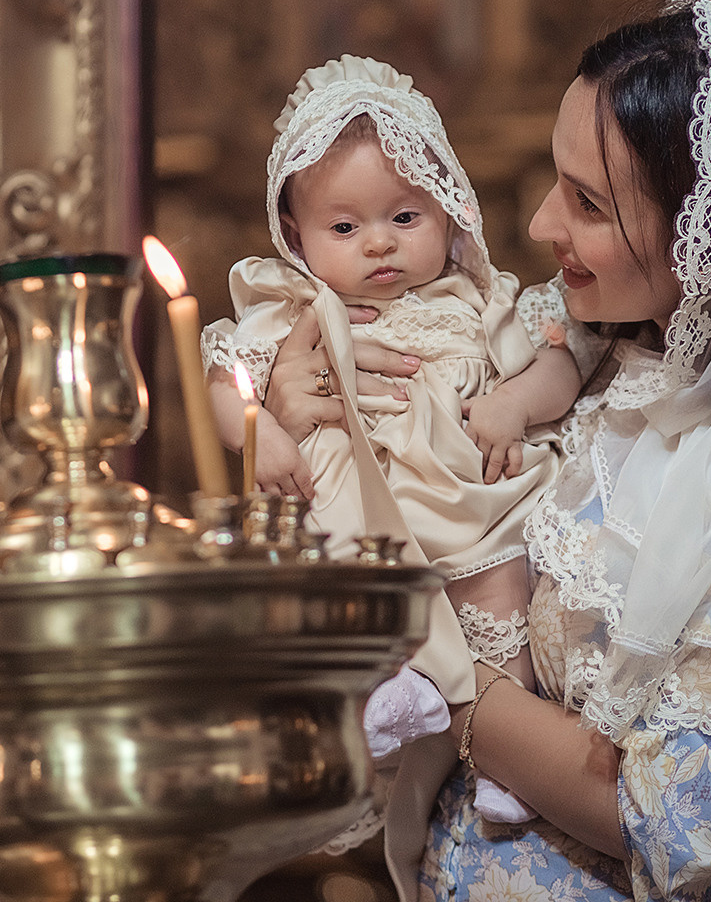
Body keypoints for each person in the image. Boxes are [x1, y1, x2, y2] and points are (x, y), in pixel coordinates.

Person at [264, 0, 711, 900]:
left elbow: (686, 817)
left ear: (706, 226)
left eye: (587, 202)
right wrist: (291, 393)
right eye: (558, 182)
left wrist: (442, 677)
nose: (543, 224)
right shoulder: (594, 349)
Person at [201, 55, 583, 827]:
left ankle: (501, 743)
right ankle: (385, 690)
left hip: (465, 494)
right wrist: (260, 432)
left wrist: (512, 404)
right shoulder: (292, 307)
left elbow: (560, 366)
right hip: (358, 500)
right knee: (345, 585)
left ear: (452, 213)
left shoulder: (483, 298)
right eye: (345, 227)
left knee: (498, 585)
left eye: (405, 218)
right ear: (296, 236)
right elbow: (223, 378)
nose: (378, 244)